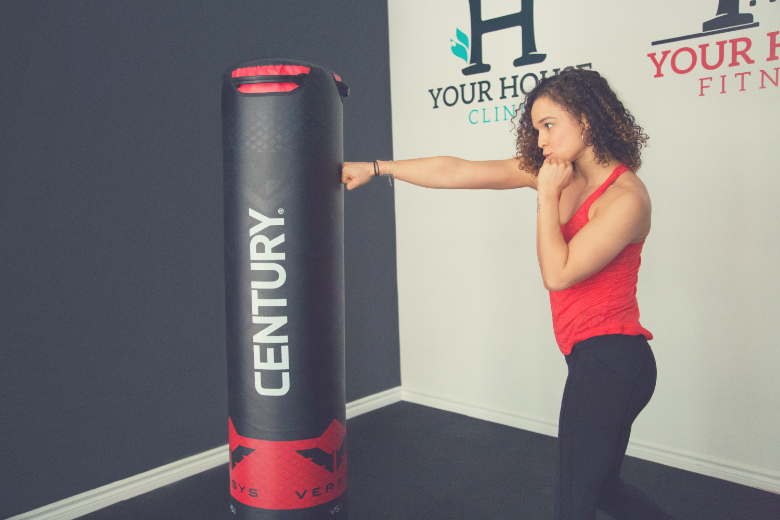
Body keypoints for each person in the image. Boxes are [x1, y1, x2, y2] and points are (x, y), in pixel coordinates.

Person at [342, 68, 674, 520]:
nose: (540, 141)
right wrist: (377, 168)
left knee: (573, 504)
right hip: (596, 359)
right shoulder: (559, 175)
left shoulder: (625, 198)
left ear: (587, 120)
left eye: (548, 126)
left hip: (611, 362)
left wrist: (545, 197)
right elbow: (457, 170)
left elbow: (558, 274)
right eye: (536, 128)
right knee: (604, 492)